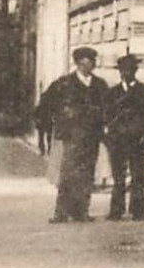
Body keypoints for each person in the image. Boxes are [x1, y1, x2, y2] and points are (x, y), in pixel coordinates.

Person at [36, 46, 110, 223]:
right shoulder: (63, 84)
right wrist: (51, 128)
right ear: (79, 63)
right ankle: (61, 213)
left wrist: (104, 127)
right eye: (88, 60)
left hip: (92, 137)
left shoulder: (100, 85)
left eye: (93, 60)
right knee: (68, 174)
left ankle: (81, 211)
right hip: (70, 137)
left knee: (87, 174)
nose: (92, 63)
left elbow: (108, 108)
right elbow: (44, 107)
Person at [104, 54, 144, 221]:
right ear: (119, 72)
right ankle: (116, 211)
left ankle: (138, 211)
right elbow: (105, 114)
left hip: (138, 139)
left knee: (137, 176)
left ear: (135, 71)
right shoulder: (112, 93)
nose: (126, 73)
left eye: (129, 70)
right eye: (123, 70)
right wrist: (115, 126)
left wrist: (141, 125)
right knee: (118, 177)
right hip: (117, 140)